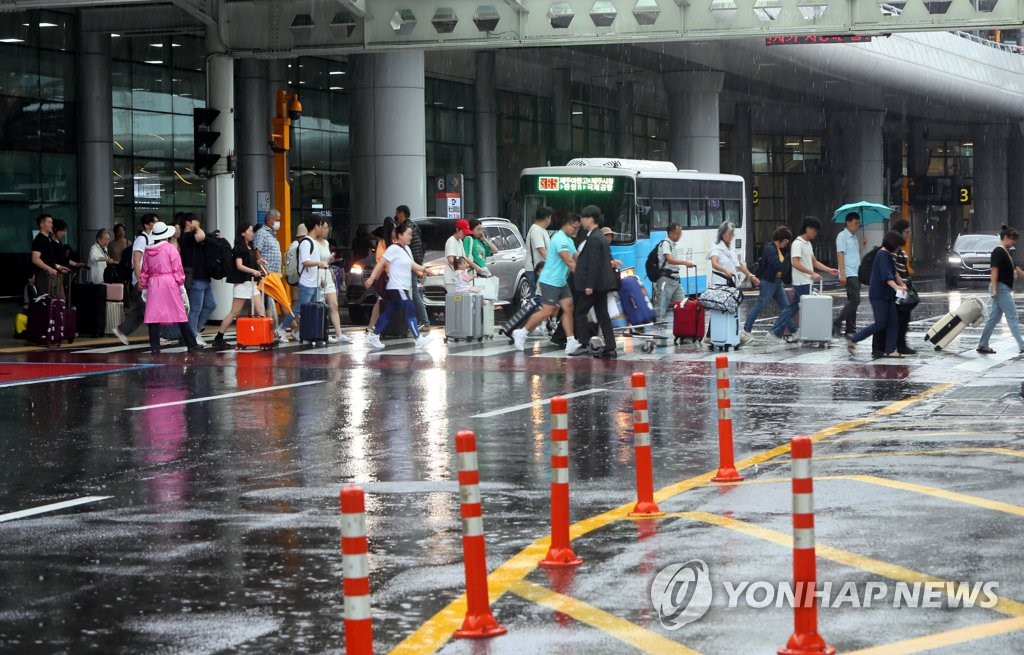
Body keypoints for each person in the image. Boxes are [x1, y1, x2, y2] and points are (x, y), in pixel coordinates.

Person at [511, 214, 583, 355]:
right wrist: (584, 278)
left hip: (560, 281)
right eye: (575, 228)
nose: (576, 231)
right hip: (550, 281)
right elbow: (569, 261)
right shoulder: (559, 239)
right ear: (568, 224)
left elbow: (576, 256)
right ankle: (521, 333)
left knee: (568, 307)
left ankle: (571, 340)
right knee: (548, 311)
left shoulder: (568, 240)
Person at [364, 222, 431, 350]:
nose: (411, 237)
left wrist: (424, 270)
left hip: (403, 286)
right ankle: (418, 339)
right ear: (400, 235)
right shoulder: (393, 249)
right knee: (410, 308)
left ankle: (374, 335)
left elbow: (411, 264)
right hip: (396, 286)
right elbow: (381, 264)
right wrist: (372, 278)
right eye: (409, 234)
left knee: (390, 311)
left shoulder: (407, 249)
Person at [138, 221, 202, 354]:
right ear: (166, 235)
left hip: (154, 284)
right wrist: (182, 287)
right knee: (180, 313)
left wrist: (144, 287)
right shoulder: (170, 248)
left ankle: (155, 347)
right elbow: (177, 269)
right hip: (169, 282)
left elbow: (144, 271)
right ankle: (192, 344)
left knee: (153, 317)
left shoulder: (148, 251)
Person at [770, 216, 837, 342]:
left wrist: (829, 270)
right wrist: (812, 273)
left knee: (793, 307)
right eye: (815, 230)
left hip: (806, 281)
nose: (816, 233)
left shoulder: (807, 244)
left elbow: (814, 262)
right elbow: (795, 263)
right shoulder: (797, 243)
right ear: (808, 228)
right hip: (801, 282)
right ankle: (825, 333)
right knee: (813, 307)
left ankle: (776, 332)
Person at [847, 230, 907, 357]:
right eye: (899, 246)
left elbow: (895, 273)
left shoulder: (889, 255)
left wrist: (902, 285)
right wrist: (897, 287)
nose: (899, 249)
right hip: (879, 296)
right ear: (893, 244)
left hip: (887, 295)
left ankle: (891, 350)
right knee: (880, 323)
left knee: (893, 321)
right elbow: (887, 276)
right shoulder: (882, 255)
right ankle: (854, 338)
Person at [571, 206, 620, 358]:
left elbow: (593, 264)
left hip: (595, 285)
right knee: (603, 314)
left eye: (584, 218)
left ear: (591, 219)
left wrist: (589, 285)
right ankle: (611, 347)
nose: (582, 221)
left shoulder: (593, 239)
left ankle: (584, 343)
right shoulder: (600, 236)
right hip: (603, 284)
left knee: (579, 312)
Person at [211, 223, 266, 350]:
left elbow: (247, 262)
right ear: (243, 233)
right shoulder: (238, 248)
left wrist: (258, 262)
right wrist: (253, 271)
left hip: (251, 283)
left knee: (260, 310)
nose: (252, 233)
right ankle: (219, 337)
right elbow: (239, 266)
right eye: (250, 231)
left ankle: (261, 337)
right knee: (234, 313)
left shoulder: (250, 247)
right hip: (243, 284)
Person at [707, 221, 760, 346]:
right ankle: (734, 334)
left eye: (732, 234)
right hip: (720, 283)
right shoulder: (716, 247)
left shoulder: (730, 249)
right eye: (729, 233)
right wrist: (724, 270)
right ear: (723, 234)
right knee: (725, 309)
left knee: (725, 309)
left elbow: (739, 265)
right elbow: (714, 263)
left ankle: (712, 335)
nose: (731, 236)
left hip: (730, 283)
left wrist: (750, 275)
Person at [976, 225, 1024, 355]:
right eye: (1013, 239)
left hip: (1001, 288)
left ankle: (983, 344)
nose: (1014, 242)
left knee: (994, 318)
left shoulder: (1006, 252)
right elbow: (994, 270)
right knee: (1012, 316)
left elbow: (1017, 270)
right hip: (1000, 288)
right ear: (1006, 237)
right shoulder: (998, 251)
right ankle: (1022, 344)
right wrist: (995, 289)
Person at [280, 217, 330, 340]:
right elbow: (305, 262)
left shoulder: (313, 242)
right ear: (315, 227)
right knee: (298, 309)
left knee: (310, 311)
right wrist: (318, 263)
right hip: (307, 283)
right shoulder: (306, 243)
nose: (321, 229)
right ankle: (281, 328)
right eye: (320, 226)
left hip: (314, 282)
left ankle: (298, 331)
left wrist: (320, 278)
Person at [872, 219, 916, 356]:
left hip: (900, 287)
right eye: (906, 233)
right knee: (886, 320)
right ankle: (879, 347)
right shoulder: (890, 251)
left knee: (902, 318)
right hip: (891, 290)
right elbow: (891, 272)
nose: (908, 236)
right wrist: (898, 285)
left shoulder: (901, 250)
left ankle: (899, 345)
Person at [113, 213, 158, 345]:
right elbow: (136, 261)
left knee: (141, 310)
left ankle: (121, 330)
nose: (156, 224)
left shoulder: (150, 239)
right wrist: (140, 280)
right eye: (154, 222)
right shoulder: (142, 239)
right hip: (140, 280)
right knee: (149, 309)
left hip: (146, 279)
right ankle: (159, 335)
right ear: (147, 225)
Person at [742, 226, 794, 339]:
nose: (786, 243)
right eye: (786, 241)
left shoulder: (778, 248)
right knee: (759, 306)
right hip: (768, 282)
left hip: (777, 282)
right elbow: (776, 264)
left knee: (786, 307)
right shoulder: (770, 248)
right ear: (782, 239)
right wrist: (787, 267)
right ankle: (746, 329)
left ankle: (794, 330)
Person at [394, 205, 430, 330]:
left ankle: (425, 322)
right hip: (411, 265)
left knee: (413, 293)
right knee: (411, 294)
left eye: (397, 213)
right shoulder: (412, 226)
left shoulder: (408, 228)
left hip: (409, 266)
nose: (396, 216)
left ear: (402, 214)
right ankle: (415, 322)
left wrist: (415, 267)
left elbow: (414, 249)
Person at [315, 223, 351, 344]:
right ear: (318, 228)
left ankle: (338, 333)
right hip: (318, 275)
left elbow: (325, 261)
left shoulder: (326, 243)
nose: (326, 230)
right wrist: (320, 277)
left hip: (327, 273)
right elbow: (315, 262)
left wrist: (330, 261)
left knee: (334, 304)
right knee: (322, 306)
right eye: (324, 227)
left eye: (327, 228)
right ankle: (323, 332)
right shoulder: (313, 243)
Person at [654, 223, 697, 321]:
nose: (679, 236)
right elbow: (669, 259)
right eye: (678, 233)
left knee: (682, 304)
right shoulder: (665, 244)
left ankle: (683, 327)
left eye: (680, 234)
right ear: (671, 233)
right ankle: (658, 327)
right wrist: (685, 263)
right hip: (666, 280)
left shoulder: (672, 245)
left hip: (675, 280)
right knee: (661, 309)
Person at [254, 209, 285, 331]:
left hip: (274, 274)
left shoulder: (272, 234)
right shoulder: (262, 233)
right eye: (277, 220)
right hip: (267, 275)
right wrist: (263, 270)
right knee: (270, 302)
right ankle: (271, 329)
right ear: (269, 220)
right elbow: (257, 251)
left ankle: (274, 328)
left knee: (275, 302)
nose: (278, 223)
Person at [834, 212, 864, 337]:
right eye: (855, 223)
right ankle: (837, 322)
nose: (857, 226)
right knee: (855, 300)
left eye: (858, 223)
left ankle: (850, 328)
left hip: (856, 273)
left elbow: (856, 254)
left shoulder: (854, 237)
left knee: (853, 300)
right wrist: (842, 274)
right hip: (849, 273)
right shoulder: (842, 236)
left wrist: (862, 245)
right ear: (848, 222)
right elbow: (840, 254)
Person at [31, 214, 67, 298]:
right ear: (42, 225)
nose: (52, 225)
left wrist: (59, 267)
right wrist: (50, 269)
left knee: (56, 301)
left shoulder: (47, 239)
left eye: (52, 222)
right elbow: (35, 259)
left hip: (50, 275)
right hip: (43, 276)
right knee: (47, 302)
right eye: (49, 222)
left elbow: (48, 260)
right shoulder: (39, 239)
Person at [525, 207, 552, 294]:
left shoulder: (542, 230)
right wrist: (553, 263)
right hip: (534, 269)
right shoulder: (536, 230)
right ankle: (531, 308)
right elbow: (542, 250)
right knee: (535, 296)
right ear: (547, 218)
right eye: (550, 218)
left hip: (540, 268)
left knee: (540, 296)